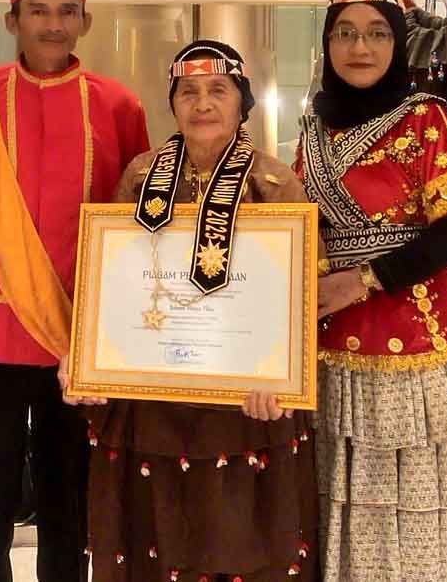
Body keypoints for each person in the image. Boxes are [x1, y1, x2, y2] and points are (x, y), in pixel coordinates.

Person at [0, 0, 150, 582]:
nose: (53, 25)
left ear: (84, 21)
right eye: (39, 11)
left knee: (67, 501)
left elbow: (137, 220)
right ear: (13, 19)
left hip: (77, 334)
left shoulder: (119, 105)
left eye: (66, 12)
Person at [81, 40, 319, 581]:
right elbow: (115, 276)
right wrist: (97, 357)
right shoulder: (143, 177)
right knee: (155, 534)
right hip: (154, 397)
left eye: (218, 90)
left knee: (239, 536)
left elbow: (301, 292)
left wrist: (279, 375)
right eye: (188, 92)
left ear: (242, 103)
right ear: (173, 104)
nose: (202, 103)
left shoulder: (275, 181)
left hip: (247, 404)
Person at [302, 0, 447, 581]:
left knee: (416, 506)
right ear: (328, 42)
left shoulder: (429, 117)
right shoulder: (315, 128)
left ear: (399, 42)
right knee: (340, 494)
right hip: (329, 342)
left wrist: (363, 279)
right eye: (346, 32)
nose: (361, 46)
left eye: (378, 33)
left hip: (417, 343)